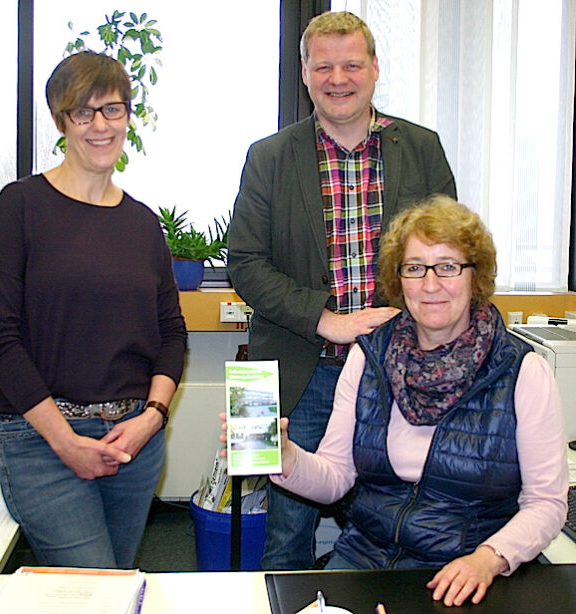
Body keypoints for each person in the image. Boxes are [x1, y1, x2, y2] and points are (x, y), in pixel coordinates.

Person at [227, 10, 456, 570]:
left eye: (352, 64)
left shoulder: (422, 148)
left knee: (394, 524)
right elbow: (244, 263)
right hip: (299, 367)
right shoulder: (269, 156)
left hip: (397, 371)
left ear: (375, 68)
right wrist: (325, 319)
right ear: (304, 73)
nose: (338, 78)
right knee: (286, 532)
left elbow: (450, 252)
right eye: (323, 66)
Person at [264, 196, 568, 607]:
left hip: (465, 573)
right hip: (363, 561)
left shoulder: (522, 372)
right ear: (398, 278)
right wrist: (287, 460)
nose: (430, 285)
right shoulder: (367, 357)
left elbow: (546, 504)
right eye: (415, 268)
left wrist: (490, 558)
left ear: (474, 276)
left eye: (447, 267)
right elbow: (336, 477)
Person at [0, 51, 188, 569]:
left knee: (111, 585)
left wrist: (153, 418)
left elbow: (172, 335)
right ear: (60, 120)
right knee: (94, 587)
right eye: (82, 112)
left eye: (112, 110)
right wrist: (65, 440)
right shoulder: (21, 207)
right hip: (42, 441)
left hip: (132, 443)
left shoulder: (141, 224)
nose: (100, 125)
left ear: (128, 117)